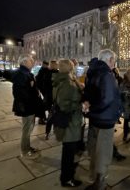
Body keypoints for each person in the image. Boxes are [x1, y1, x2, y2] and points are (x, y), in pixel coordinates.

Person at [84, 49, 122, 190]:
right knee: (104, 152)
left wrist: (88, 105)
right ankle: (100, 184)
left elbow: (87, 93)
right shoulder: (107, 74)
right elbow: (108, 98)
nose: (114, 64)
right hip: (105, 118)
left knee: (94, 148)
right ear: (110, 59)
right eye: (114, 61)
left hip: (95, 117)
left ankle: (93, 177)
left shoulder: (92, 71)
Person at [52, 59, 83, 187]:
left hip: (69, 121)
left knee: (68, 150)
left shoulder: (64, 80)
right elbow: (65, 105)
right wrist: (80, 104)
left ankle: (66, 176)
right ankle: (67, 179)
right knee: (68, 152)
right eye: (73, 66)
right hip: (70, 122)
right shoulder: (67, 83)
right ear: (70, 68)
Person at [12, 54, 40, 159]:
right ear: (24, 62)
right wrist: (31, 88)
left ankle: (27, 147)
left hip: (29, 105)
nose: (33, 63)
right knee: (27, 129)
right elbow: (19, 93)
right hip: (27, 106)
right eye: (31, 61)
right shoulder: (22, 73)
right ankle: (25, 150)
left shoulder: (25, 73)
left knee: (29, 128)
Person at [44, 60, 59, 140]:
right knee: (56, 114)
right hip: (56, 98)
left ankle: (47, 132)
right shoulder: (59, 74)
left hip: (49, 97)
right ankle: (55, 131)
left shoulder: (47, 73)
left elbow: (44, 85)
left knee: (50, 116)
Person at [35, 60, 50, 124]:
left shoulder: (43, 70)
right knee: (45, 104)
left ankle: (43, 117)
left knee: (46, 103)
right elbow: (39, 79)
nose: (45, 65)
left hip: (43, 90)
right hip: (45, 90)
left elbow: (37, 79)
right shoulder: (43, 70)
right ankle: (42, 118)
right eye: (45, 64)